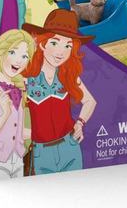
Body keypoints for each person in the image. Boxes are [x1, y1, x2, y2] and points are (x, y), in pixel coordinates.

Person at [22, 10, 96, 174]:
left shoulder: (67, 75)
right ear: (43, 44)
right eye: (55, 43)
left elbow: (90, 101)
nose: (61, 52)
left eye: (68, 46)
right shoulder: (27, 78)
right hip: (41, 152)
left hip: (70, 146)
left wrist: (80, 123)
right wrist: (28, 134)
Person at [0, 29, 35, 180]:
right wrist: (5, 114)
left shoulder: (20, 90)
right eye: (13, 52)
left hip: (17, 160)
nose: (18, 61)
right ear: (1, 54)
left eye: (24, 56)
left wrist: (46, 134)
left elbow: (19, 131)